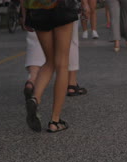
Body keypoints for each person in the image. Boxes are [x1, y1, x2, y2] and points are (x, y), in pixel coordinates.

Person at [21, 0, 79, 133]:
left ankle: (35, 98)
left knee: (49, 61)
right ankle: (55, 121)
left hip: (37, 8)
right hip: (62, 6)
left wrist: (24, 15)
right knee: (62, 64)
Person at [24, 21, 87, 98]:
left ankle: (32, 79)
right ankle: (71, 84)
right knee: (70, 37)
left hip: (37, 11)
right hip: (63, 11)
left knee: (35, 38)